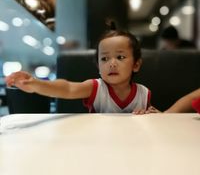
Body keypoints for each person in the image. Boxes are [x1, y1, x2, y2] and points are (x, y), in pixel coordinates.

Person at [5, 25, 151, 113]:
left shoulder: (143, 94)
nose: (111, 64)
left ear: (136, 65)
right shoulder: (96, 88)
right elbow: (67, 88)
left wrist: (151, 113)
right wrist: (36, 84)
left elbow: (157, 118)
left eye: (120, 57)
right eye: (104, 59)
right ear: (98, 67)